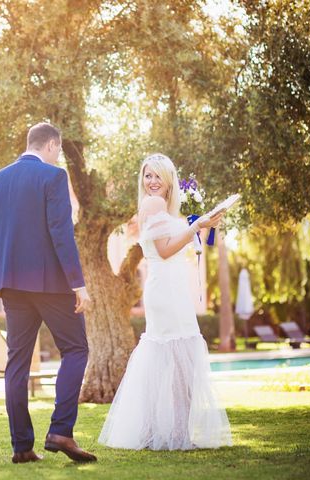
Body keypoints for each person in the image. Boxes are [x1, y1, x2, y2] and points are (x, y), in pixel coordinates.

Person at [0, 122, 97, 463]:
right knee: (76, 350)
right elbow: (61, 232)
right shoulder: (53, 178)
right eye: (57, 151)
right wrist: (78, 284)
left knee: (17, 364)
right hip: (52, 285)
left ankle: (22, 448)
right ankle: (60, 431)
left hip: (10, 287)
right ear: (52, 145)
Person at [98, 153, 232, 451]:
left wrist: (204, 223)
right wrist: (196, 228)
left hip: (171, 288)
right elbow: (166, 249)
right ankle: (171, 435)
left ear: (170, 180)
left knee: (176, 359)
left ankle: (170, 432)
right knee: (175, 356)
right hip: (165, 291)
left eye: (158, 176)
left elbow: (181, 243)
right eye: (148, 175)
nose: (153, 181)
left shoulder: (167, 210)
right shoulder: (153, 203)